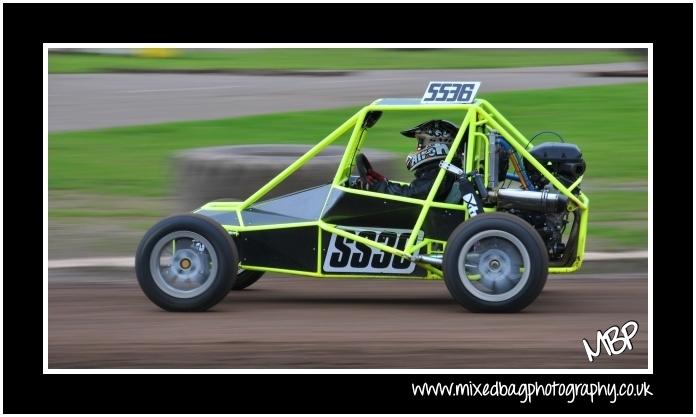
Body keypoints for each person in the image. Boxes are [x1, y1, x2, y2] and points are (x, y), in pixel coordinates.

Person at [356, 119, 461, 200]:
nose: (417, 149)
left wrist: (379, 188)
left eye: (420, 143)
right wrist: (385, 183)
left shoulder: (439, 173)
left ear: (435, 144)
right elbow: (414, 192)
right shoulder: (445, 170)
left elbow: (410, 195)